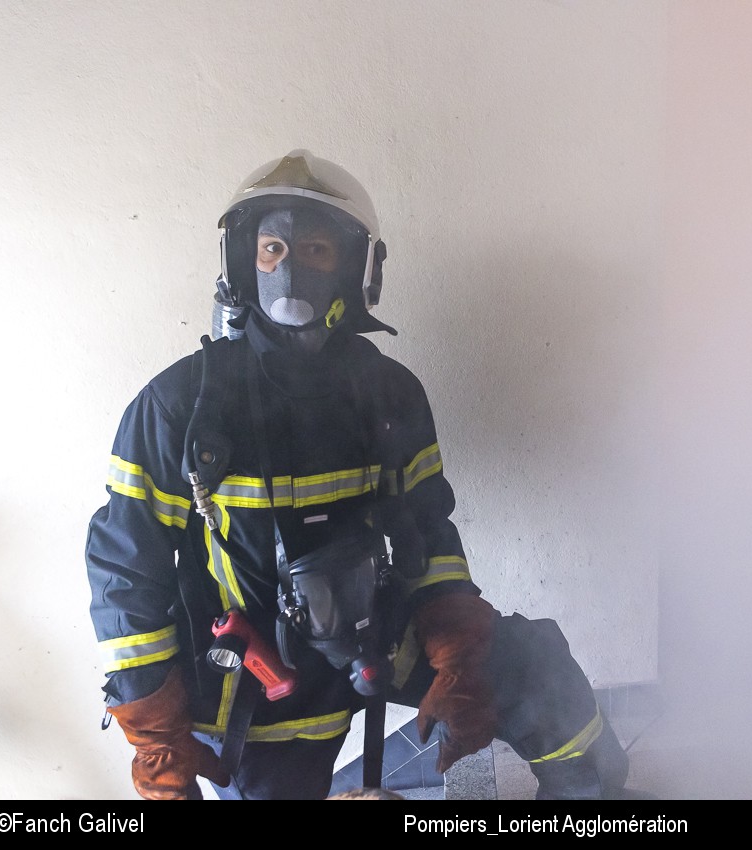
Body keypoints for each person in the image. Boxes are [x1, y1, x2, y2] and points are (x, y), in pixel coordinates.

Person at [85, 151, 630, 801]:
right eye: (271, 249)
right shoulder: (179, 407)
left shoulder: (391, 394)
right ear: (239, 262)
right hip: (259, 683)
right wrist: (157, 732)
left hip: (378, 635)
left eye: (313, 249)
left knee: (540, 677)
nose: (288, 270)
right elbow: (127, 574)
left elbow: (428, 531)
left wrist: (457, 649)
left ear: (357, 267)